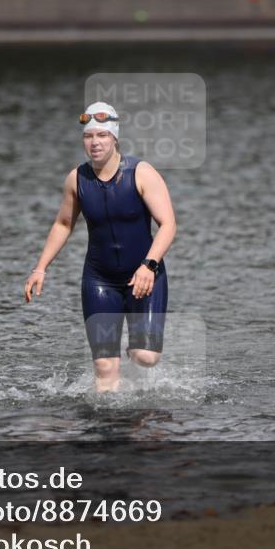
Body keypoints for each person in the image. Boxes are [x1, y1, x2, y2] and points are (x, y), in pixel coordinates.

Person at [24, 102, 177, 393]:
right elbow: (63, 224)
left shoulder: (141, 173)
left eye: (102, 135)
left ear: (115, 138)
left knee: (145, 356)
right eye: (88, 136)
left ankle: (136, 371)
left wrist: (149, 265)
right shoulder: (77, 179)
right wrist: (40, 268)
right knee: (105, 368)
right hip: (100, 280)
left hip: (145, 276)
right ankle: (107, 432)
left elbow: (168, 224)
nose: (95, 142)